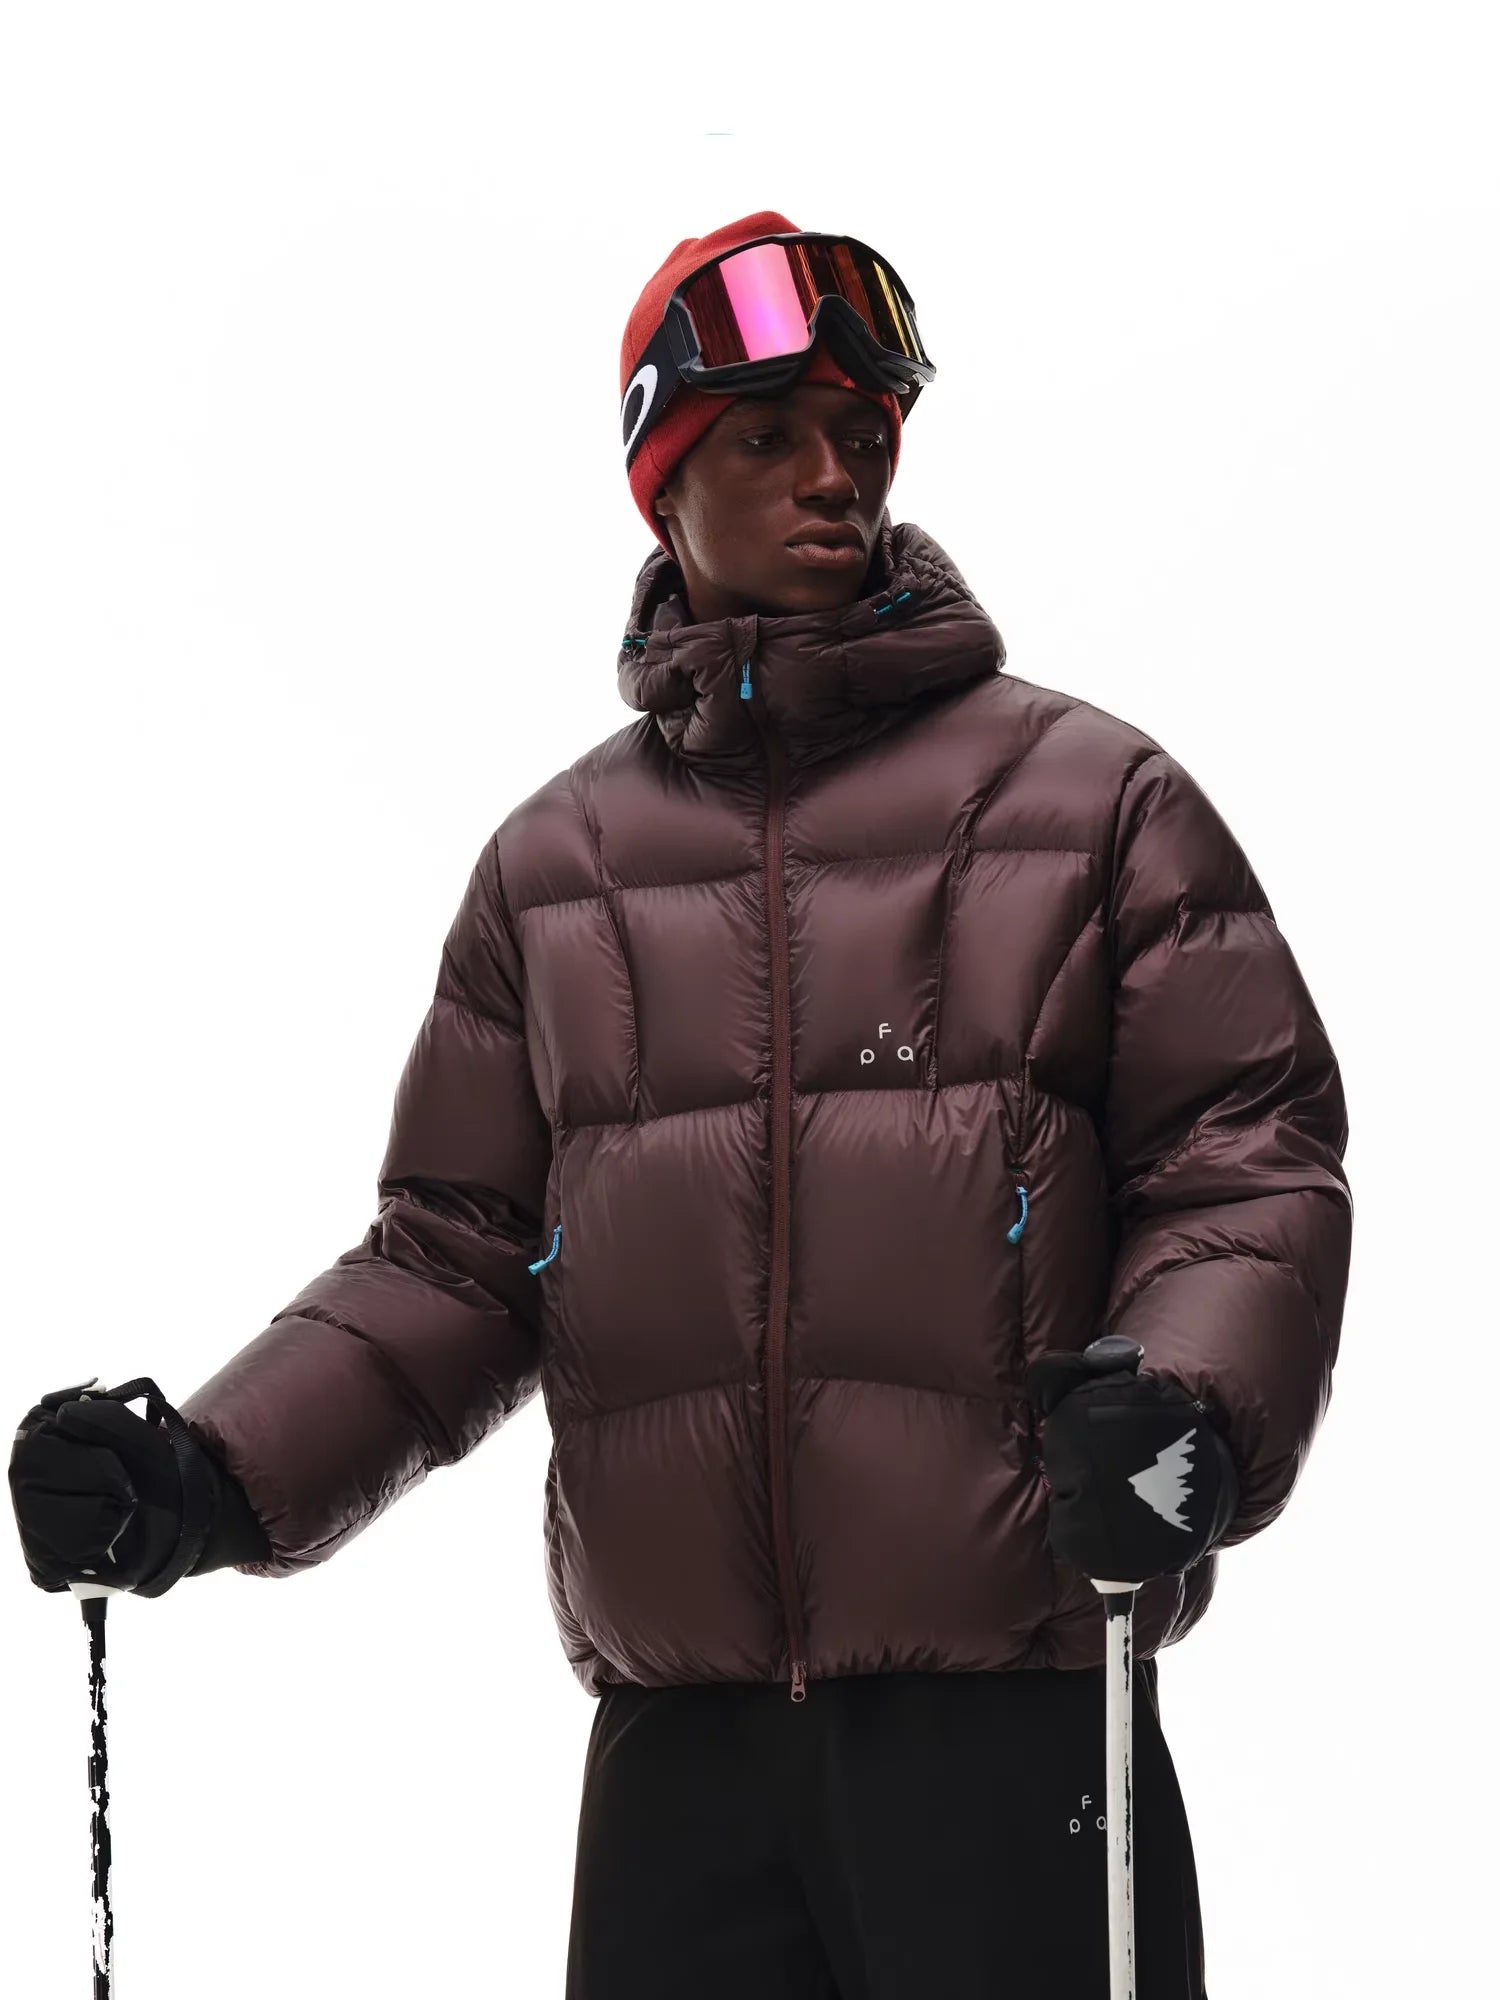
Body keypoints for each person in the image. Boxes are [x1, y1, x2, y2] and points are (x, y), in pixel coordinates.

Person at [10, 210, 1353, 1997]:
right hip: (681, 1761)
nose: (833, 478)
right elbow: (456, 1259)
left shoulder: (1091, 805)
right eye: (767, 437)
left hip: (1012, 1719)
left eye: (860, 435)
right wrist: (207, 1473)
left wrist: (1186, 1413)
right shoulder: (554, 873)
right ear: (663, 485)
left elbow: (1246, 1163)